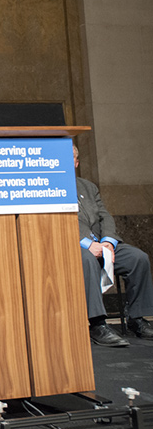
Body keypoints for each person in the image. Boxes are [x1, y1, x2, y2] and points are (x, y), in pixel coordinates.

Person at [73, 145, 153, 345]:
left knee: (138, 258)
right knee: (88, 260)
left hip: (102, 243)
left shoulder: (88, 187)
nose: (69, 162)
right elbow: (57, 222)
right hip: (75, 247)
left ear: (77, 163)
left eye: (72, 159)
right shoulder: (50, 187)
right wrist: (86, 243)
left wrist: (108, 241)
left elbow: (105, 216)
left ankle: (137, 319)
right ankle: (97, 324)